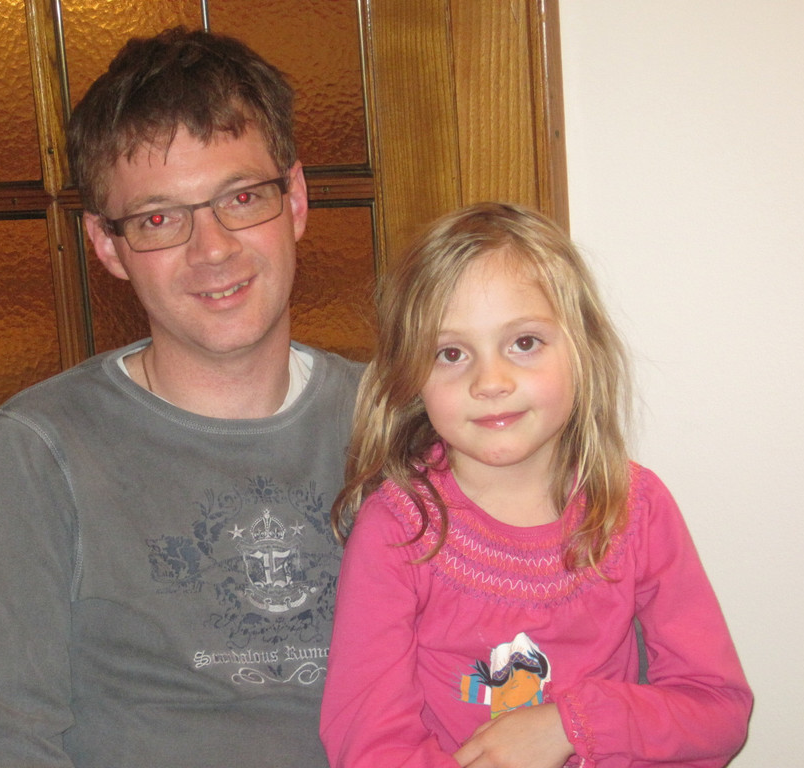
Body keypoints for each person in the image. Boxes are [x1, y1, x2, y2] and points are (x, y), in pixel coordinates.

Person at [0, 27, 362, 768]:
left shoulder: (401, 422)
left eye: (241, 198)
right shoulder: (40, 450)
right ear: (108, 245)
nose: (213, 249)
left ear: (294, 199)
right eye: (160, 218)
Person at [319, 202, 752, 767]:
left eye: (524, 343)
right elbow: (368, 744)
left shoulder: (635, 508)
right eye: (451, 353)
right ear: (410, 377)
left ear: (582, 350)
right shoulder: (398, 529)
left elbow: (717, 712)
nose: (491, 381)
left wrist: (570, 725)